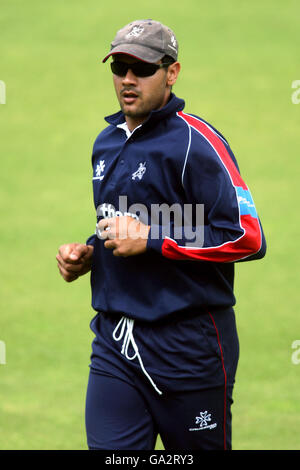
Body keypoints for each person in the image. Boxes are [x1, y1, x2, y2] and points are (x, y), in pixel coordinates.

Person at [56, 19, 266, 450]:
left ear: (172, 73)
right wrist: (91, 252)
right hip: (116, 342)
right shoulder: (107, 143)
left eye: (143, 68)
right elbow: (123, 222)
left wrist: (151, 238)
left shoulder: (197, 143)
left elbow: (246, 237)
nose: (128, 79)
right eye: (119, 66)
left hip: (189, 349)